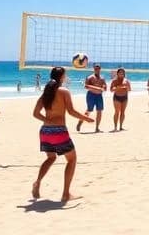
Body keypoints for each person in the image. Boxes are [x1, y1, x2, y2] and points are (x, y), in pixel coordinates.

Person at [32, 66, 93, 202]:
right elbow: (71, 111)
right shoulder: (64, 91)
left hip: (45, 131)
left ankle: (37, 182)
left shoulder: (46, 93)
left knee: (51, 158)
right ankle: (66, 194)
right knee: (72, 160)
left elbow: (35, 113)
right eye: (65, 75)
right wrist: (85, 118)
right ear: (61, 77)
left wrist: (47, 120)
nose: (66, 77)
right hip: (59, 132)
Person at [78, 63, 106, 132]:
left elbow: (104, 87)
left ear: (100, 69)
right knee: (89, 110)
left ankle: (97, 128)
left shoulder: (102, 78)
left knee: (99, 111)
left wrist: (103, 87)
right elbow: (86, 86)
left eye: (98, 68)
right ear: (94, 69)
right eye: (96, 68)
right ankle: (80, 122)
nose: (97, 70)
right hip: (91, 95)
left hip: (99, 96)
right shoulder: (90, 77)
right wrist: (97, 88)